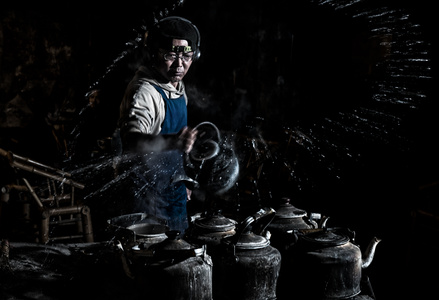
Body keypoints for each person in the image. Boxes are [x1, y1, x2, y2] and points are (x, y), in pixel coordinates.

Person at [116, 16, 200, 234]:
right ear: (154, 54)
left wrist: (185, 179)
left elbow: (179, 147)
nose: (180, 65)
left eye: (187, 57)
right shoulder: (145, 92)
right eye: (171, 56)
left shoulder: (177, 87)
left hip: (173, 189)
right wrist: (173, 142)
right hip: (147, 195)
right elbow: (132, 141)